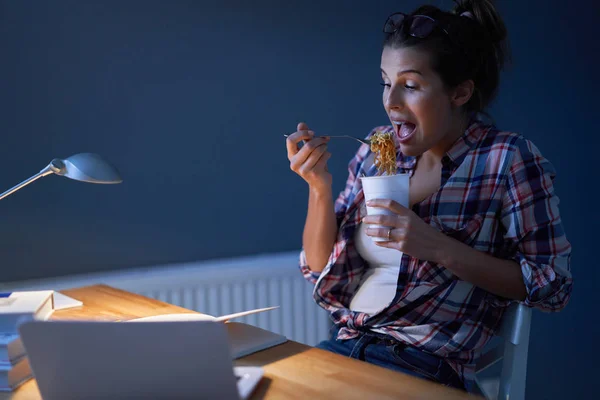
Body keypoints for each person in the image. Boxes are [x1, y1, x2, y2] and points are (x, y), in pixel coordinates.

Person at [284, 0, 572, 393]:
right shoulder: (372, 154)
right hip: (344, 348)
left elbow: (551, 284)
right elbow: (318, 268)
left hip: (426, 366)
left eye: (410, 85)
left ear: (460, 92)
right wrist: (318, 186)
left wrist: (437, 247)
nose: (390, 101)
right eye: (386, 82)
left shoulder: (506, 160)